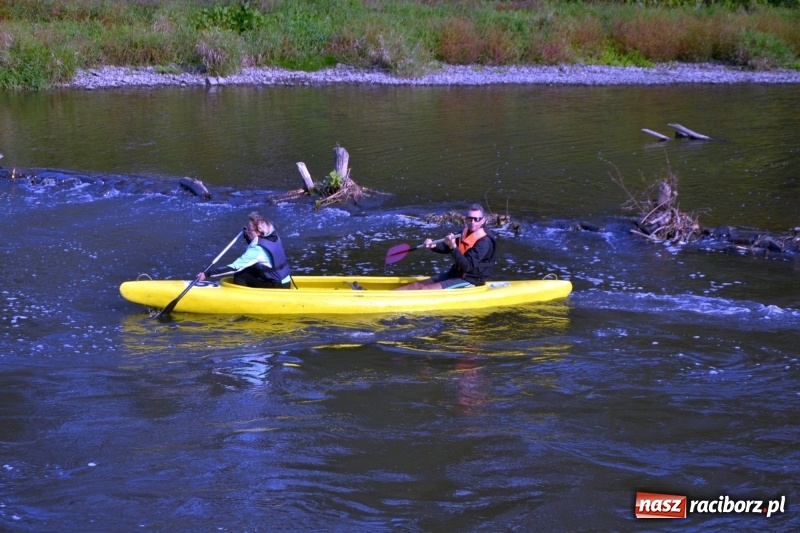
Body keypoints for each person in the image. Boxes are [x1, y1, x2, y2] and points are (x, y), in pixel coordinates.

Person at [396, 203, 496, 290]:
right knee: (416, 285)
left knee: (426, 289)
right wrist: (434, 246)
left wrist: (453, 246)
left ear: (483, 220)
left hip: (471, 279)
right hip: (455, 274)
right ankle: (392, 296)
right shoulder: (465, 232)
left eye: (476, 219)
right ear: (466, 219)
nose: (472, 222)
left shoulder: (484, 241)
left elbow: (467, 266)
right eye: (470, 218)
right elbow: (446, 247)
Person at [198, 212, 293, 289]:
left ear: (259, 232)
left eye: (249, 229)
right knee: (250, 268)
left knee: (241, 274)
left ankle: (242, 299)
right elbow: (260, 252)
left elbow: (234, 268)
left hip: (277, 286)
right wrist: (247, 236)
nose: (247, 231)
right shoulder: (274, 236)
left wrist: (207, 274)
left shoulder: (256, 249)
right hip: (285, 281)